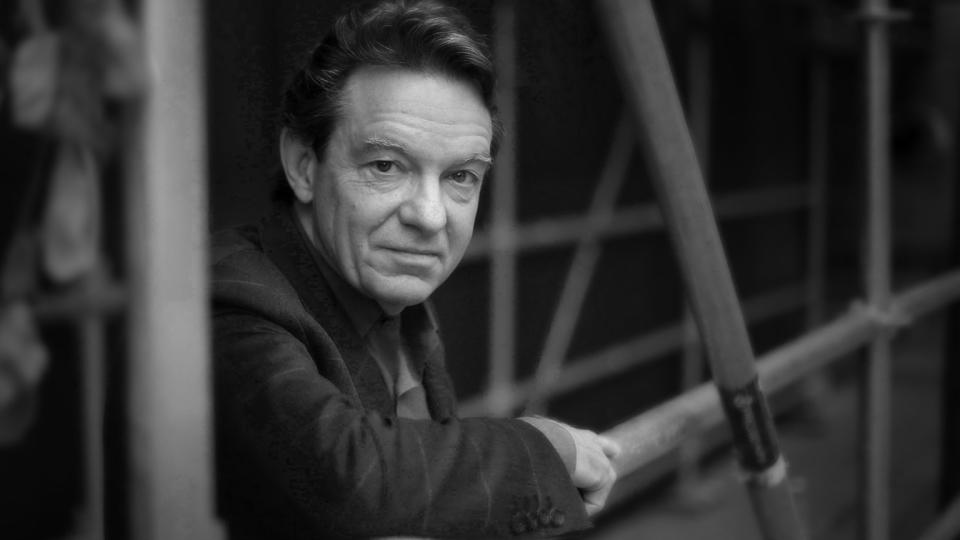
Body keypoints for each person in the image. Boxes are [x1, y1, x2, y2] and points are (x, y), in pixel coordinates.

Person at [211, 1, 619, 538]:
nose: (429, 217)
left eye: (461, 177)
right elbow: (349, 480)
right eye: (386, 166)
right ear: (303, 166)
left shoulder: (393, 301)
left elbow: (427, 498)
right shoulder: (233, 299)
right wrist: (548, 448)